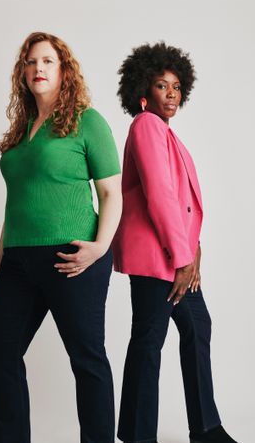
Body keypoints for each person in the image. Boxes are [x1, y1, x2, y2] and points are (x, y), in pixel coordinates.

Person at [0, 31, 122, 443]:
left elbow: (111, 191)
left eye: (46, 61)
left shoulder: (87, 121)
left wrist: (99, 248)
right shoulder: (21, 129)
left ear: (63, 70)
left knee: (87, 359)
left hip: (73, 257)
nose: (37, 68)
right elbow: (17, 203)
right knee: (2, 352)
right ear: (22, 72)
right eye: (30, 62)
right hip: (18, 261)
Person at [112, 42, 238, 443]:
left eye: (177, 86)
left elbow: (181, 203)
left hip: (177, 255)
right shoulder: (147, 125)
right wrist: (184, 256)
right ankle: (139, 435)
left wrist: (194, 249)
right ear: (144, 94)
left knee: (195, 327)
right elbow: (160, 195)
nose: (172, 93)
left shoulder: (167, 134)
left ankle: (205, 429)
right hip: (158, 258)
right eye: (162, 85)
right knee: (150, 341)